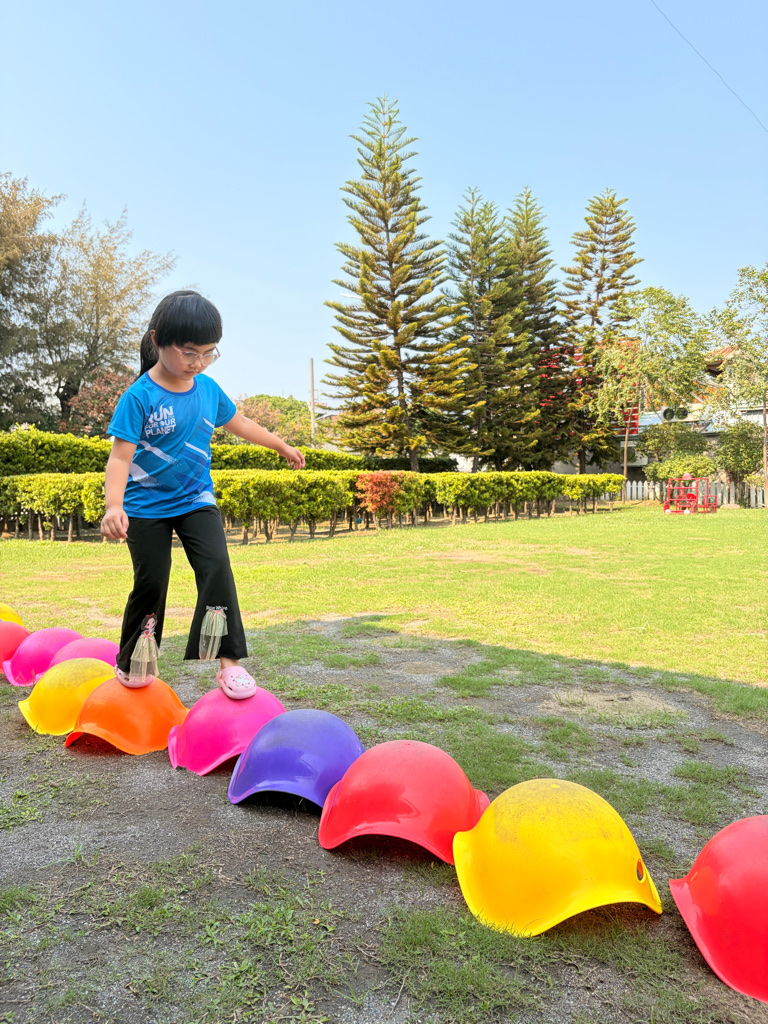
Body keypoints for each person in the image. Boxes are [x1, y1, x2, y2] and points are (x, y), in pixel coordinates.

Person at [100, 290, 305, 699]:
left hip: (196, 500)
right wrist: (113, 506)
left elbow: (242, 424)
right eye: (189, 352)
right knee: (151, 581)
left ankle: (229, 661)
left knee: (216, 568)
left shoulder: (208, 390)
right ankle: (136, 660)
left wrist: (281, 445)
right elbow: (120, 457)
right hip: (145, 507)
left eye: (209, 353)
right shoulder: (139, 397)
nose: (198, 362)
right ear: (158, 340)